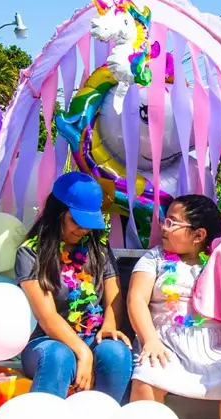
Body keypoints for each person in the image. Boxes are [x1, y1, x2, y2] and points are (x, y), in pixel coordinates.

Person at [128, 194, 221, 419]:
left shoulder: (218, 261)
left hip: (211, 344)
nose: (163, 227)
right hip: (164, 341)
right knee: (147, 376)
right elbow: (137, 300)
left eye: (172, 223)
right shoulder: (156, 258)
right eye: (165, 221)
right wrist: (150, 340)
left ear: (198, 235)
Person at [14, 172, 133, 402]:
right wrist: (83, 352)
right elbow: (47, 316)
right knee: (59, 356)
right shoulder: (30, 253)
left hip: (92, 334)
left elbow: (113, 298)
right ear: (58, 213)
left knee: (116, 353)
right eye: (77, 222)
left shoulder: (98, 249)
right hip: (47, 340)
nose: (83, 230)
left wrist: (109, 324)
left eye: (89, 224)